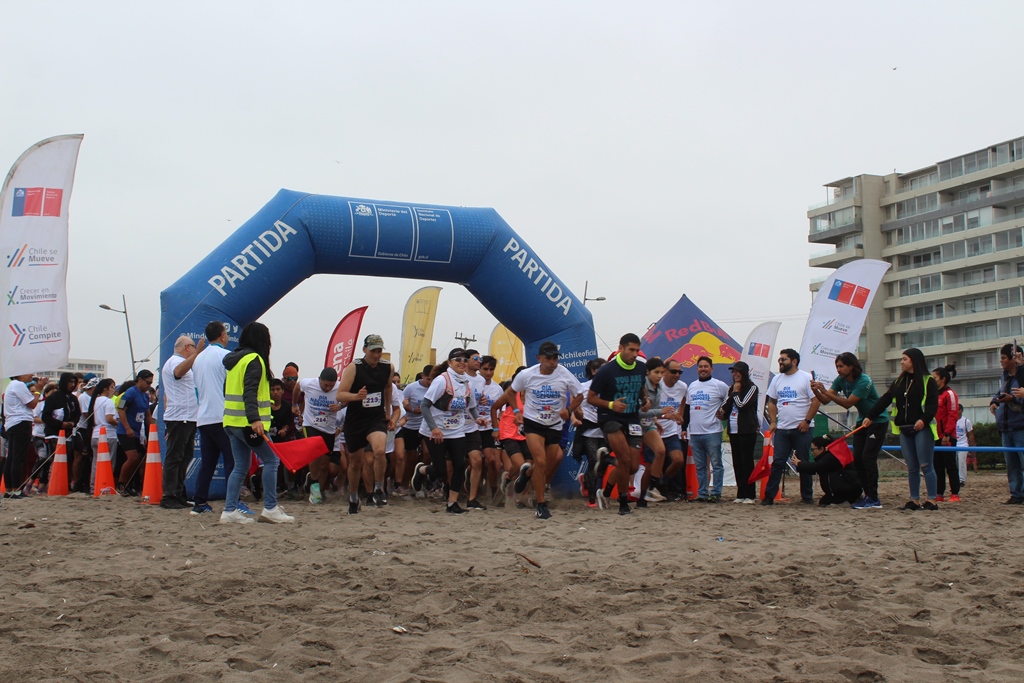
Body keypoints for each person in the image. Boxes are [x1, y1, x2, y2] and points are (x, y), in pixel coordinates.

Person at [498, 341, 583, 519]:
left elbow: (580, 394)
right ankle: (541, 504)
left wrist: (568, 410)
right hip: (533, 424)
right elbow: (510, 393)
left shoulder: (564, 373)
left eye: (555, 358)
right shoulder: (527, 374)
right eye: (548, 358)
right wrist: (515, 411)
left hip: (554, 425)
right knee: (541, 462)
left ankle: (526, 474)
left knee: (545, 464)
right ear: (539, 358)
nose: (553, 362)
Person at [221, 321, 294, 524]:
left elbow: (229, 389)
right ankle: (270, 507)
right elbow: (250, 391)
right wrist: (254, 419)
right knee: (272, 460)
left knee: (241, 465)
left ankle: (229, 510)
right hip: (247, 423)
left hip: (231, 421)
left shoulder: (235, 361)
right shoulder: (254, 360)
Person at [410, 349, 485, 514]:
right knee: (440, 470)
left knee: (459, 465)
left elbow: (471, 406)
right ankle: (421, 470)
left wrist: (477, 418)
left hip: (456, 429)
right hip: (435, 430)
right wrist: (434, 428)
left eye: (465, 360)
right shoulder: (442, 380)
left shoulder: (467, 383)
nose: (462, 363)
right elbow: (424, 406)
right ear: (450, 362)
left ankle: (452, 503)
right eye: (457, 359)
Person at [864, 348, 939, 511]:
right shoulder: (899, 382)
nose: (901, 362)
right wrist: (870, 415)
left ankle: (932, 499)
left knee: (926, 465)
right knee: (912, 466)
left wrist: (924, 420)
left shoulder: (928, 381)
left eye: (904, 359)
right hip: (904, 428)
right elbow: (885, 399)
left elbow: (933, 404)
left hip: (922, 428)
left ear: (914, 361)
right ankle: (914, 499)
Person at [810, 352, 888, 510]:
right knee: (857, 459)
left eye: (841, 366)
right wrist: (816, 391)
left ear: (851, 366)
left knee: (868, 458)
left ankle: (873, 497)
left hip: (877, 421)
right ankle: (866, 495)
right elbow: (825, 400)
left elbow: (847, 404)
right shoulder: (841, 380)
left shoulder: (863, 381)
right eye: (837, 366)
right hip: (862, 422)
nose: (838, 370)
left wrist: (824, 391)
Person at [587, 333, 648, 516]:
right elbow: (590, 398)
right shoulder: (607, 371)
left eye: (637, 350)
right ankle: (623, 503)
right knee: (624, 459)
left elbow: (641, 387)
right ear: (620, 349)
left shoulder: (641, 368)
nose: (635, 354)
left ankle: (605, 485)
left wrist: (644, 399)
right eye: (631, 350)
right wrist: (611, 404)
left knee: (633, 466)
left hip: (632, 418)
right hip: (610, 417)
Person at [336, 334, 396, 513]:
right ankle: (353, 497)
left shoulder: (388, 367)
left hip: (375, 417)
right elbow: (340, 395)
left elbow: (387, 387)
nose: (376, 355)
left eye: (379, 351)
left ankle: (378, 488)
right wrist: (356, 397)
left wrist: (387, 410)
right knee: (356, 463)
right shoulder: (354, 367)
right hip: (355, 420)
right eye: (373, 351)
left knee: (379, 450)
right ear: (364, 350)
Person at [190, 321, 239, 515]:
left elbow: (196, 391)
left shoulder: (198, 359)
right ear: (222, 335)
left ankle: (199, 503)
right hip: (223, 416)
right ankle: (232, 504)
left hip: (203, 417)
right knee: (232, 461)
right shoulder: (226, 356)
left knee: (208, 463)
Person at [763, 349, 819, 506]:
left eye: (784, 359)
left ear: (794, 361)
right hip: (783, 429)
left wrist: (807, 421)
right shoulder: (777, 380)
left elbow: (816, 401)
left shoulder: (805, 378)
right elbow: (772, 402)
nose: (780, 362)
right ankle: (769, 496)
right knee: (778, 461)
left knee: (803, 462)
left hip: (802, 428)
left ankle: (807, 497)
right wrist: (773, 422)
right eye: (779, 359)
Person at [160, 335, 204, 510]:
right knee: (174, 457)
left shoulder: (184, 364)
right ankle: (168, 495)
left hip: (188, 417)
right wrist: (197, 353)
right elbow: (178, 372)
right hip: (179, 417)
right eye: (193, 347)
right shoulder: (173, 362)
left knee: (185, 456)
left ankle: (178, 493)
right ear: (187, 347)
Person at [685, 356, 731, 503]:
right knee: (700, 466)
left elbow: (729, 400)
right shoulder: (691, 386)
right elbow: (686, 408)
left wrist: (724, 414)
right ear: (697, 368)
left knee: (716, 465)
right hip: (695, 432)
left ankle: (716, 493)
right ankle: (703, 493)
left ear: (712, 369)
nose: (703, 369)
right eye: (700, 366)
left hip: (712, 431)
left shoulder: (719, 385)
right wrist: (684, 427)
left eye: (706, 366)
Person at [296, 367, 342, 505]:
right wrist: (295, 404)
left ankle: (317, 487)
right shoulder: (309, 383)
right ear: (319, 379)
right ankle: (314, 484)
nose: (328, 388)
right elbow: (297, 387)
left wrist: (340, 406)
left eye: (331, 385)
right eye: (325, 385)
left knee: (323, 463)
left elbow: (347, 399)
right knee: (314, 453)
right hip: (311, 424)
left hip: (328, 428)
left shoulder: (340, 387)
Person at [790, 435, 863, 506]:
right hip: (849, 487)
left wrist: (799, 464)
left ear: (821, 449)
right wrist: (800, 465)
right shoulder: (831, 455)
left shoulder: (831, 457)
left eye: (813, 449)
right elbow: (814, 469)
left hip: (848, 489)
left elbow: (816, 467)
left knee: (826, 502)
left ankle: (848, 499)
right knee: (824, 502)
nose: (812, 452)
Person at [992, 343, 1024, 505]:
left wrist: (1014, 399)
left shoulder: (1022, 375)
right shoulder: (1004, 376)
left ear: (1014, 358)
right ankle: (1016, 495)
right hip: (1006, 426)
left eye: (1003, 358)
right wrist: (994, 402)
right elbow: (999, 393)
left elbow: (1018, 396)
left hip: (1020, 426)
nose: (1001, 361)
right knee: (1011, 464)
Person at [724, 361, 759, 504]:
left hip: (747, 430)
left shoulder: (752, 388)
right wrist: (722, 413)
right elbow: (727, 405)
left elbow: (742, 405)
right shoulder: (731, 388)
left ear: (744, 373)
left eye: (737, 371)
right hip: (733, 429)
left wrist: (736, 392)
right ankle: (741, 492)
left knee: (747, 461)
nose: (735, 374)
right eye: (733, 372)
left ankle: (750, 494)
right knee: (737, 462)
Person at [41, 373, 82, 492]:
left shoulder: (73, 399)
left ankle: (67, 483)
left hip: (68, 434)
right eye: (69, 382)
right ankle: (48, 483)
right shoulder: (53, 397)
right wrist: (60, 424)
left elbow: (77, 414)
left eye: (73, 382)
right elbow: (46, 416)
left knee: (69, 458)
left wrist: (72, 423)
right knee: (54, 458)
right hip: (54, 433)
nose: (72, 385)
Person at [116, 370, 155, 495]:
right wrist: (127, 428)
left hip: (137, 432)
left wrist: (153, 431)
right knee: (132, 457)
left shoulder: (145, 395)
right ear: (140, 380)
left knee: (138, 459)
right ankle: (121, 484)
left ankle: (129, 484)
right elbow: (121, 410)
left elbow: (147, 415)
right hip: (125, 431)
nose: (149, 385)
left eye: (151, 383)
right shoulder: (130, 393)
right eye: (147, 383)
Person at [655, 358, 688, 501]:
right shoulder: (656, 386)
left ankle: (662, 484)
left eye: (680, 372)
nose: (677, 375)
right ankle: (657, 489)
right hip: (654, 431)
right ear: (665, 372)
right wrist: (665, 415)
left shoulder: (682, 387)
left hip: (671, 432)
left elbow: (684, 400)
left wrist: (680, 414)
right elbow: (647, 411)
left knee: (678, 460)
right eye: (674, 371)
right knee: (657, 463)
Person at [2, 372, 40, 499]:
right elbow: (32, 403)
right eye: (27, 372)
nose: (31, 375)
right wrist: (38, 391)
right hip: (21, 422)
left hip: (13, 423)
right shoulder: (18, 385)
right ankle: (16, 489)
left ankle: (10, 489)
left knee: (12, 457)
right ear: (19, 375)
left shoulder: (11, 385)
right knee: (18, 458)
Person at [395, 369, 431, 494]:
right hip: (410, 426)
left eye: (432, 379)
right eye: (428, 379)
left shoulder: (435, 388)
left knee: (428, 453)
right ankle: (405, 484)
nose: (430, 382)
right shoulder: (411, 388)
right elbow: (400, 405)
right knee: (411, 458)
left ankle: (422, 478)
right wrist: (411, 409)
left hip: (425, 426)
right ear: (422, 376)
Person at [932, 364, 960, 503]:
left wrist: (947, 434)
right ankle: (939, 493)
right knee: (937, 466)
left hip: (947, 436)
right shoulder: (933, 394)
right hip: (935, 436)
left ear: (942, 379)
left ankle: (955, 493)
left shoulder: (949, 394)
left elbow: (952, 415)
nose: (932, 380)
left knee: (950, 466)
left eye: (934, 377)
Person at [87, 379, 118, 492]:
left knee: (96, 462)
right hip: (108, 434)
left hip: (95, 434)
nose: (113, 390)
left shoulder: (96, 400)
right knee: (108, 462)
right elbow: (109, 418)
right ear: (106, 388)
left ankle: (93, 486)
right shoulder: (108, 401)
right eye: (112, 387)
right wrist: (118, 423)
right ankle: (105, 485)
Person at [954, 405, 975, 486]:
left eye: (958, 409)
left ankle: (962, 480)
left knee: (962, 462)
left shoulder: (966, 421)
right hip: (954, 444)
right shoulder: (952, 420)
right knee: (954, 463)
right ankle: (955, 479)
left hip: (963, 444)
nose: (957, 411)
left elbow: (970, 434)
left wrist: (972, 447)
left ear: (962, 410)